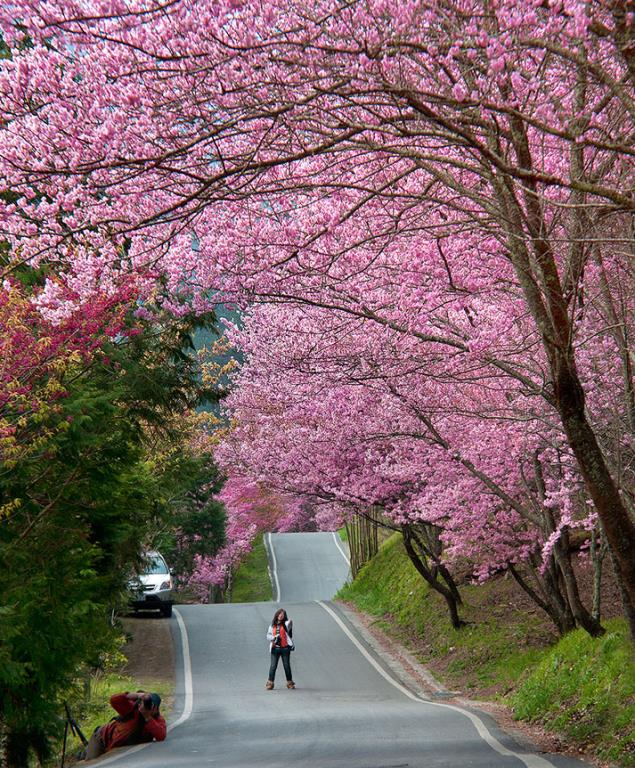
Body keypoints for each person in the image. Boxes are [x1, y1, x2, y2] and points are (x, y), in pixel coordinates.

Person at [83, 691, 166, 759]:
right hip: (101, 739)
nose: (147, 707)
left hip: (120, 748)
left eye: (150, 705)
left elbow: (161, 736)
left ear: (156, 709)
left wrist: (148, 717)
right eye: (145, 703)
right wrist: (137, 695)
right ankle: (84, 753)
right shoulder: (132, 709)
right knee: (92, 762)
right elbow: (114, 700)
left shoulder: (158, 719)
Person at [266, 608, 295, 690]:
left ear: (284, 616)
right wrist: (274, 637)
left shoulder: (286, 624)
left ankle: (289, 683)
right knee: (273, 666)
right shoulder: (272, 625)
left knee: (286, 666)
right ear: (277, 615)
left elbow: (290, 623)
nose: (280, 616)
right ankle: (270, 683)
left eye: (282, 615)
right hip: (275, 649)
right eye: (279, 614)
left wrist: (289, 621)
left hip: (285, 649)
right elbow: (267, 636)